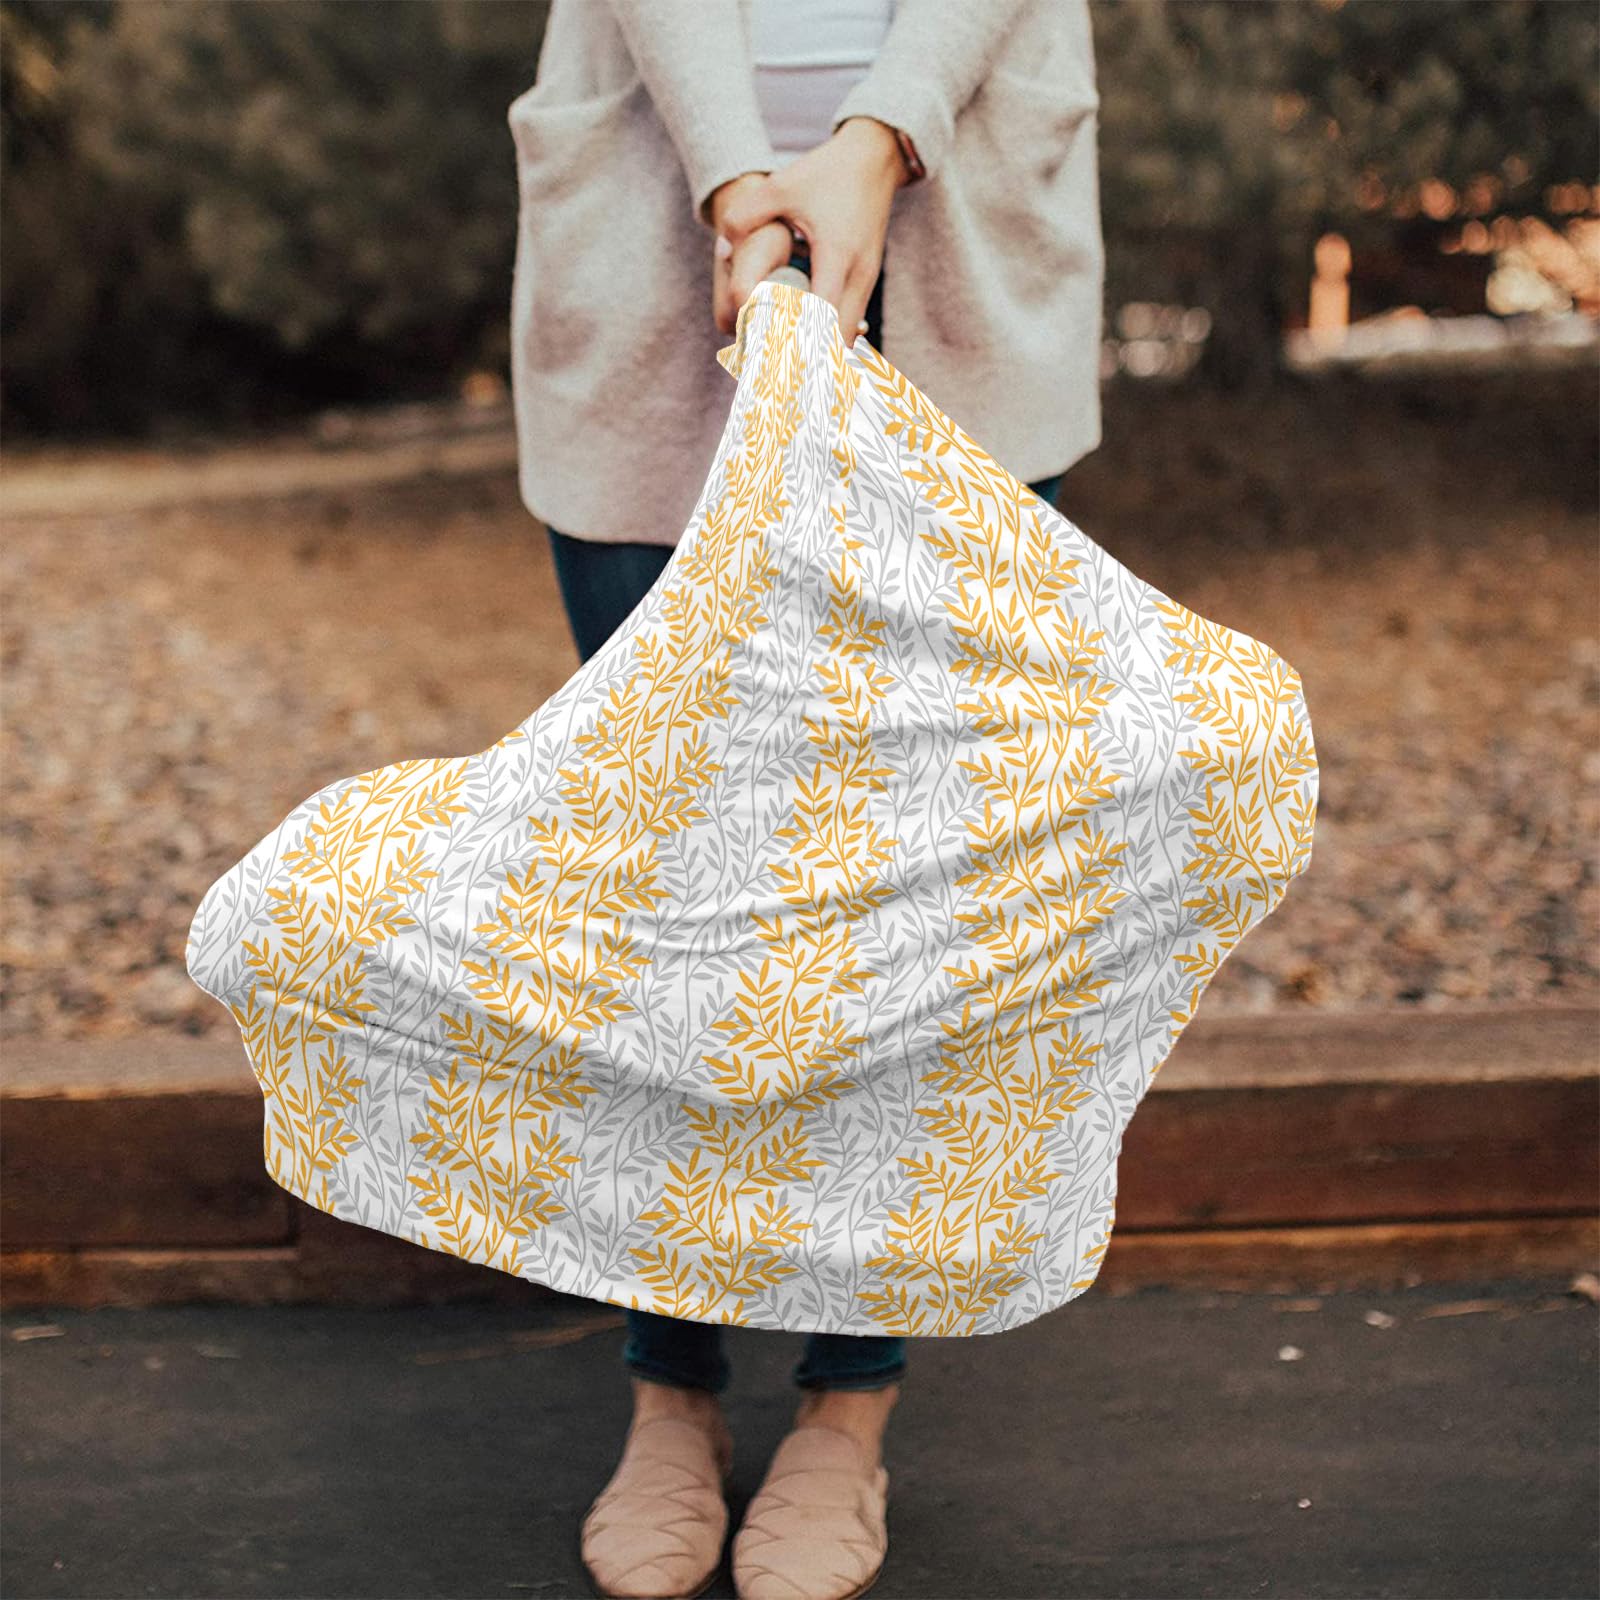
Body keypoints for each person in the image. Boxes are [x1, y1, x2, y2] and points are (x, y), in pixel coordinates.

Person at [506, 3, 1103, 1596]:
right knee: (671, 874)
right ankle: (670, 1388)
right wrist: (733, 177)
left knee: (902, 883)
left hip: (959, 220)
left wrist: (877, 137)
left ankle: (849, 1404)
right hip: (656, 224)